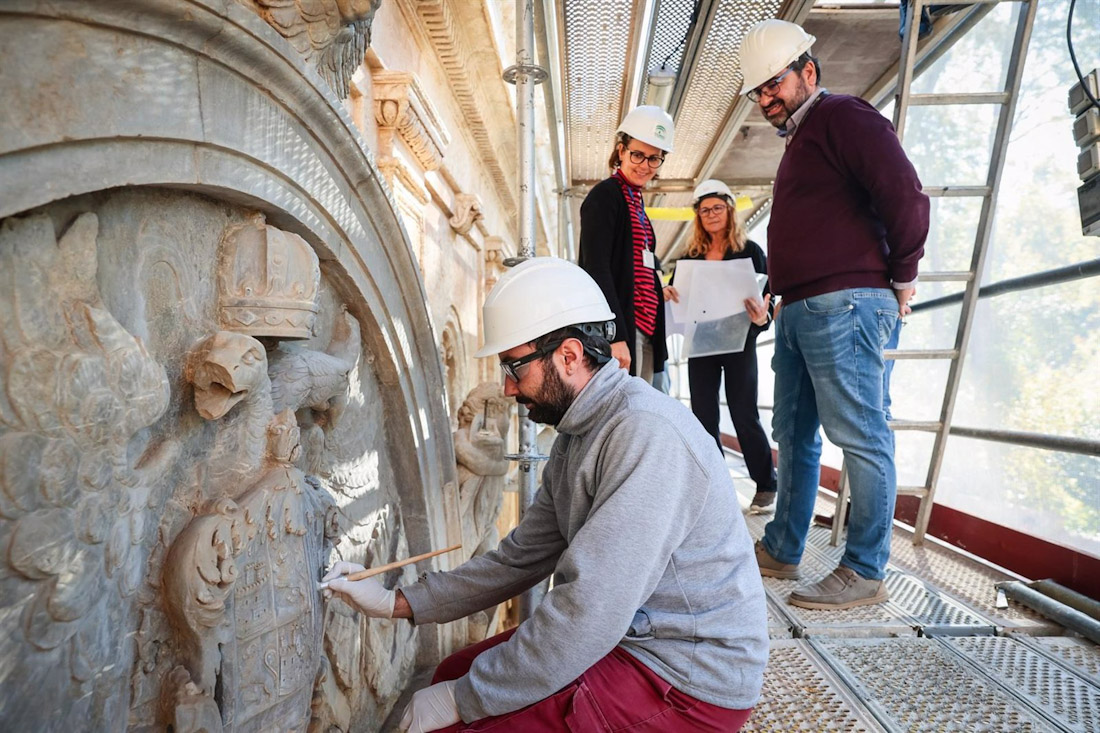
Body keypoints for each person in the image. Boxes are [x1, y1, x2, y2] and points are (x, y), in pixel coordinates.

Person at [323, 258, 768, 733]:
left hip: (685, 679)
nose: (506, 387)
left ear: (569, 356)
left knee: (462, 717)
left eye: (514, 367)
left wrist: (466, 700)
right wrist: (397, 602)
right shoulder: (579, 434)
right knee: (452, 671)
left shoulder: (644, 434)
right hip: (631, 637)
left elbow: (591, 608)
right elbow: (519, 559)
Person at [738, 19, 928, 609]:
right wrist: (778, 291)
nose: (766, 98)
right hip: (801, 308)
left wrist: (903, 276)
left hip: (846, 303)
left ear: (808, 71)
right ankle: (783, 548)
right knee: (793, 433)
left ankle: (865, 569)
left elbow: (904, 194)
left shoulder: (843, 116)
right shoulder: (802, 140)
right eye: (758, 91)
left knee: (861, 434)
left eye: (774, 84)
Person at [664, 180, 778, 512]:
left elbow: (767, 298)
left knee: (744, 413)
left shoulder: (750, 252)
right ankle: (714, 486)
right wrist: (668, 294)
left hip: (739, 340)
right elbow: (678, 300)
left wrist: (762, 318)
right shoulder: (689, 257)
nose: (711, 214)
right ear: (698, 216)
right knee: (703, 415)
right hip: (702, 340)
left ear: (729, 211)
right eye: (704, 210)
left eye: (717, 208)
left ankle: (766, 484)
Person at [578, 105, 674, 383]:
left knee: (640, 407)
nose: (645, 165)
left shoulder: (637, 204)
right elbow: (596, 269)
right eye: (637, 155)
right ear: (621, 151)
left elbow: (640, 267)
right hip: (624, 332)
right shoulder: (606, 197)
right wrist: (615, 334)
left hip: (645, 328)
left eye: (654, 158)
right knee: (623, 406)